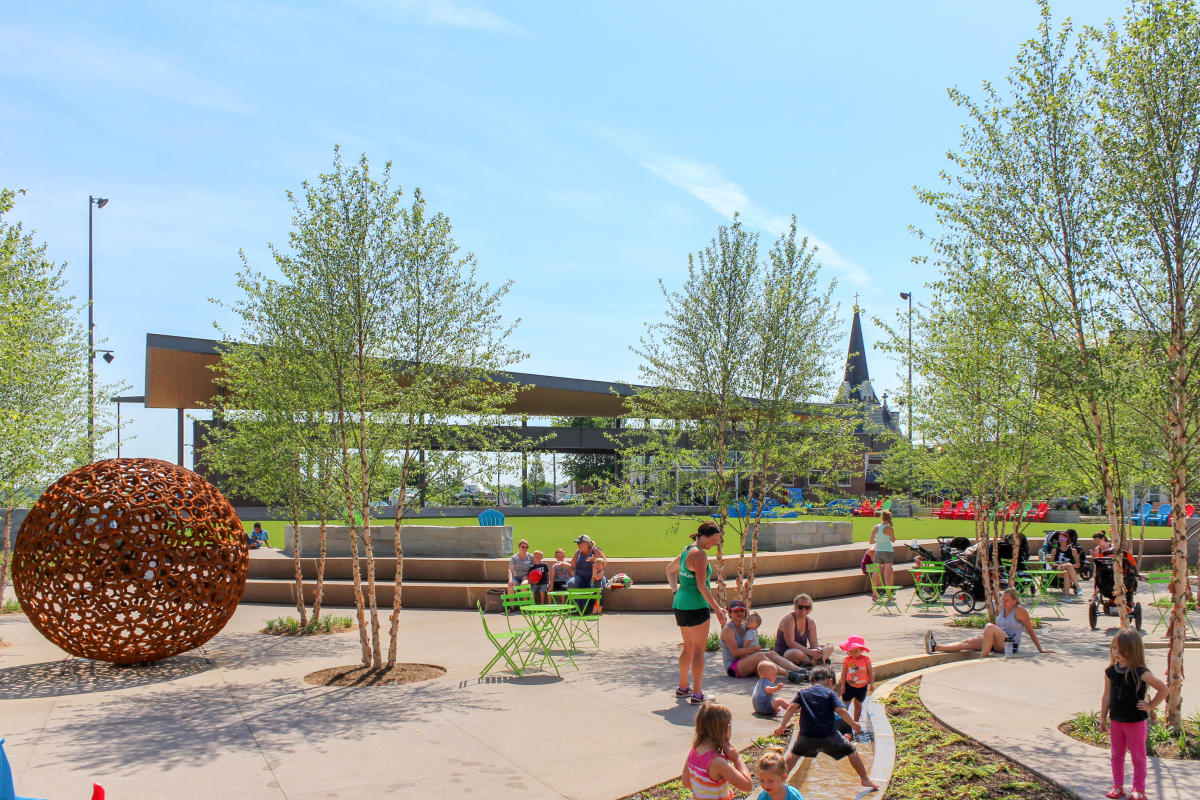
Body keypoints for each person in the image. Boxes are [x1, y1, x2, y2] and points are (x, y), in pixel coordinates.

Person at [773, 666, 878, 790]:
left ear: (811, 681)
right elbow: (841, 710)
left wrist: (782, 725)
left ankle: (779, 780)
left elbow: (791, 708)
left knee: (794, 755)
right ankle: (865, 779)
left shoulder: (802, 693)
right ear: (830, 681)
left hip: (806, 735)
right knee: (851, 751)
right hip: (828, 735)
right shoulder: (830, 693)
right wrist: (854, 724)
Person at [1100, 630, 1167, 800]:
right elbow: (1107, 695)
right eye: (1114, 648)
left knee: (1138, 757)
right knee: (1116, 755)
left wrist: (1150, 706)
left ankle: (1139, 789)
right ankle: (1118, 786)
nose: (1117, 653)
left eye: (1123, 650)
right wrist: (1102, 717)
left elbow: (1163, 688)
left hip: (1135, 723)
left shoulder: (1141, 672)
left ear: (1133, 650)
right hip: (1116, 721)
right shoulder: (1110, 671)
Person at [667, 521, 728, 705]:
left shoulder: (687, 549)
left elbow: (669, 570)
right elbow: (702, 585)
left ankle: (683, 687)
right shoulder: (700, 555)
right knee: (699, 651)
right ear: (703, 536)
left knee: (688, 647)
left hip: (680, 604)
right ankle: (698, 694)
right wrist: (717, 609)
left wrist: (675, 592)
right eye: (713, 539)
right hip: (695, 605)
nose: (713, 544)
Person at [925, 588, 1054, 657]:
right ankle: (936, 647)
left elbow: (1030, 630)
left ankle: (982, 657)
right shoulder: (1002, 608)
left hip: (1010, 645)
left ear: (1015, 600)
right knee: (966, 643)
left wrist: (1040, 649)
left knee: (989, 626)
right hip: (996, 641)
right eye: (1003, 600)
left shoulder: (1019, 611)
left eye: (1007, 600)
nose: (1004, 603)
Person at [680, 701, 753, 800]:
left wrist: (709, 791)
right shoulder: (717, 762)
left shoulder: (694, 750)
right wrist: (736, 759)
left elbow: (686, 782)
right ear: (727, 727)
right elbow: (747, 786)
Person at [721, 600, 803, 679]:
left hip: (746, 661)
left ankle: (800, 670)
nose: (739, 613)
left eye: (741, 610)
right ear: (730, 613)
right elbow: (735, 652)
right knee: (759, 656)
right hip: (733, 668)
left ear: (745, 612)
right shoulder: (728, 629)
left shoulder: (744, 627)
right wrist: (754, 649)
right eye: (736, 611)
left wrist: (758, 649)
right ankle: (788, 674)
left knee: (771, 654)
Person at [774, 594, 834, 666]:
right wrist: (810, 652)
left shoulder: (810, 621)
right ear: (795, 607)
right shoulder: (789, 620)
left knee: (829, 646)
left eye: (807, 607)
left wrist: (817, 653)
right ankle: (815, 662)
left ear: (810, 608)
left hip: (803, 653)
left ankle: (817, 661)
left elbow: (814, 642)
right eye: (800, 607)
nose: (803, 610)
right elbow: (790, 643)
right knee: (794, 653)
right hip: (786, 653)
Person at [836, 635, 874, 723]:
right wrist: (842, 685)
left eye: (855, 651)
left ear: (861, 650)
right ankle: (843, 721)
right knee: (845, 703)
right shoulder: (847, 660)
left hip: (862, 686)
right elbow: (844, 673)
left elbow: (870, 672)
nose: (853, 654)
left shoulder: (866, 659)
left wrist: (872, 683)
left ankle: (856, 722)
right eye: (850, 651)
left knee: (858, 703)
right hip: (849, 685)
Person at [1049, 529, 1083, 597]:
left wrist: (1069, 566)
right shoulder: (1054, 550)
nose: (1062, 541)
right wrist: (1060, 565)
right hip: (1058, 569)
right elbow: (1051, 564)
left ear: (1067, 540)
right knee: (1068, 565)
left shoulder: (1073, 550)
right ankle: (1078, 587)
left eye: (1064, 539)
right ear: (1058, 540)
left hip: (1069, 571)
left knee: (1066, 572)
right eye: (1060, 539)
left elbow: (1078, 565)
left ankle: (1067, 597)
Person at [868, 510, 897, 588]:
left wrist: (878, 540)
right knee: (887, 572)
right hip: (888, 551)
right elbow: (893, 540)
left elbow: (871, 541)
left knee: (875, 572)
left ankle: (874, 593)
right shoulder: (890, 528)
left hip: (878, 551)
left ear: (882, 517)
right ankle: (889, 593)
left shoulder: (876, 527)